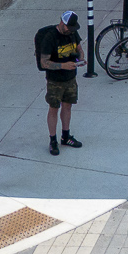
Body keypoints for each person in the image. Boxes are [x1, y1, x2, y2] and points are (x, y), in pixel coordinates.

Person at [33, 11, 84, 155]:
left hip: (70, 78)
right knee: (53, 108)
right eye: (68, 27)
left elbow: (79, 49)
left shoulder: (72, 33)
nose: (70, 31)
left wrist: (80, 59)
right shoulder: (50, 38)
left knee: (67, 107)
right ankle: (53, 140)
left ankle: (66, 136)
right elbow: (44, 62)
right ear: (62, 23)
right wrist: (63, 66)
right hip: (55, 80)